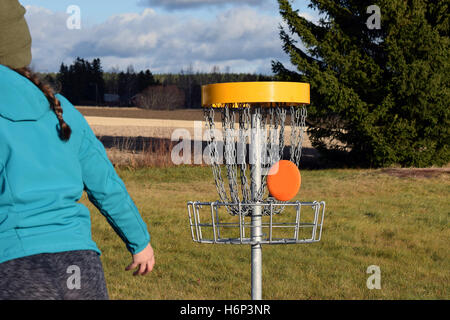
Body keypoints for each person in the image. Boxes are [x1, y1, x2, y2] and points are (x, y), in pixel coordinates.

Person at [0, 0, 155, 300]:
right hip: (81, 266)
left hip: (15, 268)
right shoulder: (62, 109)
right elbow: (106, 185)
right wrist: (140, 242)